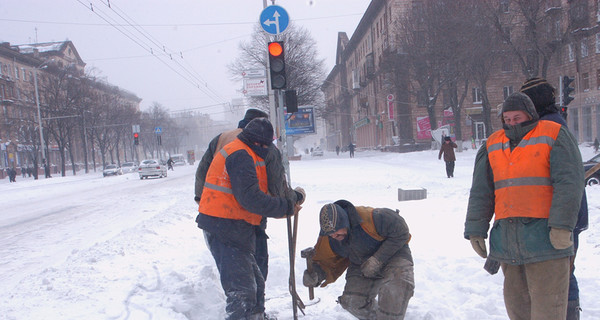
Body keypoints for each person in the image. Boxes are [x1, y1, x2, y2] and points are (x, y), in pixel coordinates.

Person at [464, 92, 584, 320]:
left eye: (516, 118)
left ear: (530, 114)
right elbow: (481, 191)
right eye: (506, 119)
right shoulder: (492, 144)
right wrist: (475, 229)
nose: (511, 123)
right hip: (509, 244)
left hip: (546, 242)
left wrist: (562, 225)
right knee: (518, 311)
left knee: (548, 312)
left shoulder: (554, 134)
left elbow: (569, 183)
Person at [195, 116, 305, 319]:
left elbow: (267, 189)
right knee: (242, 291)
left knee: (255, 282)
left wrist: (287, 202)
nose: (266, 149)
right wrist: (285, 206)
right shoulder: (240, 155)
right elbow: (251, 198)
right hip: (224, 227)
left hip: (235, 225)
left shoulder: (249, 152)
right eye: (265, 145)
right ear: (258, 142)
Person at [520, 77, 589, 320]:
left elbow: (564, 180)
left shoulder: (548, 129)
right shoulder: (551, 124)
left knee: (562, 273)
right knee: (562, 272)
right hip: (565, 214)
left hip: (562, 216)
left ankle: (569, 315)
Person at [302, 200, 414, 320]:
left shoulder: (372, 217)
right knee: (352, 302)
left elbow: (401, 232)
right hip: (361, 263)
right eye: (331, 235)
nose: (334, 237)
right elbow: (326, 261)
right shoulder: (330, 236)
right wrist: (316, 275)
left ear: (345, 222)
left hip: (394, 255)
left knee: (395, 290)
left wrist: (377, 259)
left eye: (337, 233)